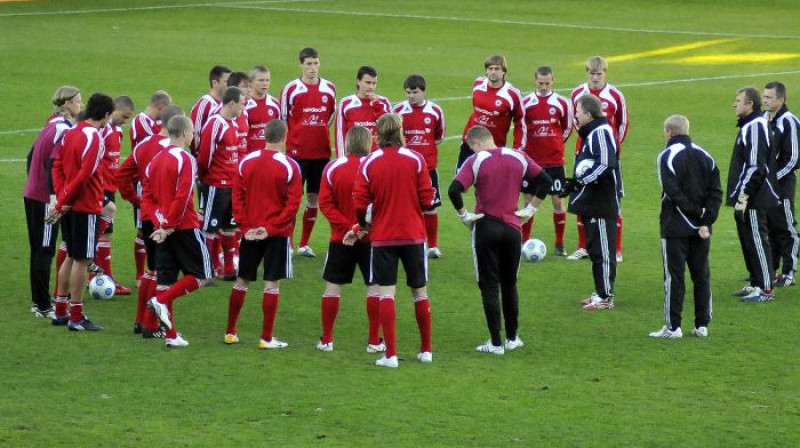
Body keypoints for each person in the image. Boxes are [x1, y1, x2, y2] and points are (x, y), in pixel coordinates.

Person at [448, 125, 551, 354]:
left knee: (488, 286)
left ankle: (495, 343)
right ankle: (513, 338)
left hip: (486, 227)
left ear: (475, 143)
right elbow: (545, 181)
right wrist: (530, 210)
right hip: (513, 228)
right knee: (509, 284)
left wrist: (465, 216)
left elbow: (454, 190)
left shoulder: (477, 160)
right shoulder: (518, 155)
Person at [352, 113, 435, 368]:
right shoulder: (416, 159)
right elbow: (427, 200)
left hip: (383, 236)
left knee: (386, 292)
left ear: (377, 133)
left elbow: (359, 201)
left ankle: (390, 355)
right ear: (401, 131)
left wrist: (364, 224)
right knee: (419, 291)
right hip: (413, 235)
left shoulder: (369, 162)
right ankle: (426, 350)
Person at [224, 120, 302, 349]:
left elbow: (236, 197)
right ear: (284, 137)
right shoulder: (290, 166)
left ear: (264, 136)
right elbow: (293, 205)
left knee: (242, 280)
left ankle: (230, 332)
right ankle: (266, 338)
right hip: (276, 234)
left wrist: (246, 227)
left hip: (250, 232)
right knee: (272, 284)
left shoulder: (245, 162)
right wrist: (270, 228)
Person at [649, 115, 722, 339]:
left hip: (675, 227)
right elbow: (716, 193)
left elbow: (673, 193)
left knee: (674, 276)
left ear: (669, 132)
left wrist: (695, 217)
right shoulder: (706, 155)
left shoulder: (666, 156)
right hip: (702, 230)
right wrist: (705, 221)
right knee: (702, 275)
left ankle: (673, 327)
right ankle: (702, 325)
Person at [47, 92, 115, 330]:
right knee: (82, 259)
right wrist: (64, 200)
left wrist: (62, 197)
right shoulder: (95, 138)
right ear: (106, 115)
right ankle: (76, 317)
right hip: (85, 205)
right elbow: (85, 176)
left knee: (68, 253)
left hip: (70, 203)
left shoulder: (71, 132)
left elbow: (57, 166)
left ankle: (60, 310)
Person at [145, 115, 214, 348]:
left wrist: (160, 222)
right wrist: (170, 225)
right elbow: (183, 196)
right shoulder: (185, 159)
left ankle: (171, 335)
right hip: (183, 227)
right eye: (192, 131)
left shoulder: (155, 160)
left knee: (166, 279)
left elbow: (148, 197)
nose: (193, 135)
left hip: (163, 228)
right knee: (204, 275)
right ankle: (160, 301)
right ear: (185, 133)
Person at [117, 104, 185, 337]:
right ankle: (152, 325)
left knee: (150, 269)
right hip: (167, 219)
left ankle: (140, 321)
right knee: (165, 274)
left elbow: (122, 175)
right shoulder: (177, 150)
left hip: (147, 215)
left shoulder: (143, 146)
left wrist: (135, 200)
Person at [315, 126, 382, 352]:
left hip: (341, 238)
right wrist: (360, 228)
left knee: (333, 287)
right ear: (368, 142)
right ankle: (374, 341)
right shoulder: (374, 168)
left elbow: (324, 202)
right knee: (375, 288)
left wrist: (346, 228)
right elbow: (379, 203)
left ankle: (327, 340)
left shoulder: (333, 167)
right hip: (371, 238)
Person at [24, 86, 81, 319]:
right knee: (45, 250)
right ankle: (42, 305)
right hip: (45, 199)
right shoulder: (64, 131)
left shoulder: (51, 124)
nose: (81, 105)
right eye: (78, 101)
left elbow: (31, 155)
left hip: (32, 194)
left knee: (37, 249)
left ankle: (38, 301)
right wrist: (53, 198)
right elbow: (53, 165)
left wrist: (32, 183)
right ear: (68, 104)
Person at [563, 94, 621, 310]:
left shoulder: (601, 131)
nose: (575, 114)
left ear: (588, 114)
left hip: (601, 202)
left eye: (578, 111)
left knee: (603, 252)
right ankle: (600, 292)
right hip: (593, 201)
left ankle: (606, 298)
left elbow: (606, 163)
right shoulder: (593, 132)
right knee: (596, 250)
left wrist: (580, 182)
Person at [568, 56, 628, 262]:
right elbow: (574, 120)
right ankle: (583, 246)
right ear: (587, 73)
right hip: (583, 154)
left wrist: (613, 147)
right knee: (581, 196)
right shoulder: (577, 93)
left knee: (613, 198)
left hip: (607, 156)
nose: (595, 78)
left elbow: (623, 123)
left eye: (599, 74)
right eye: (592, 74)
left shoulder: (615, 95)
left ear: (605, 73)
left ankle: (616, 250)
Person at [280, 48, 337, 258]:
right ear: (301, 65)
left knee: (314, 198)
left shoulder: (330, 89)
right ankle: (288, 244)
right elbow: (283, 118)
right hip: (296, 154)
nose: (312, 68)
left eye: (315, 63)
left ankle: (304, 244)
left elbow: (330, 116)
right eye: (308, 64)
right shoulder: (291, 89)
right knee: (292, 200)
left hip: (321, 153)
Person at [727, 87, 780, 302]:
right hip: (749, 196)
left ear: (750, 105)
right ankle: (756, 283)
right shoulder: (750, 125)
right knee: (749, 239)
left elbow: (756, 166)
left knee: (757, 239)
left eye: (738, 100)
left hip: (755, 197)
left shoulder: (756, 126)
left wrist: (743, 196)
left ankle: (766, 288)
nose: (734, 104)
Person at [520, 66, 573, 255]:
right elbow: (521, 128)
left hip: (554, 161)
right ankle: (524, 242)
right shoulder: (525, 102)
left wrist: (556, 145)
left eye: (547, 83)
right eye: (540, 83)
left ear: (553, 81)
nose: (543, 86)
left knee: (558, 201)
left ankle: (559, 243)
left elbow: (567, 128)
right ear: (535, 81)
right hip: (531, 161)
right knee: (527, 200)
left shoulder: (562, 103)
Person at [393, 74, 446, 258]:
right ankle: (405, 241)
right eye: (408, 92)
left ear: (423, 91)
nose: (411, 96)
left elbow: (438, 136)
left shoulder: (435, 111)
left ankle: (432, 246)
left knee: (431, 206)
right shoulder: (399, 110)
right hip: (405, 169)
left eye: (415, 92)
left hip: (428, 168)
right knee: (404, 206)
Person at [197, 86, 245, 280]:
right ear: (231, 103)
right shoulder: (215, 123)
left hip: (232, 185)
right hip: (216, 185)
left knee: (229, 227)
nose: (243, 107)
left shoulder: (233, 124)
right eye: (242, 103)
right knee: (210, 227)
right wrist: (206, 179)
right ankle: (206, 269)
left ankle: (228, 269)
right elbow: (204, 156)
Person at [129, 90, 172, 281]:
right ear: (161, 108)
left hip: (155, 181)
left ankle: (152, 271)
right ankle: (143, 274)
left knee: (155, 225)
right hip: (143, 183)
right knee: (142, 228)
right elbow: (154, 145)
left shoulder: (152, 122)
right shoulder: (142, 122)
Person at [456, 54, 525, 171]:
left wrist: (517, 148)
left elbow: (520, 121)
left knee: (489, 185)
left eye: (497, 69)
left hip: (493, 148)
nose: (493, 72)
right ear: (486, 71)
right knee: (458, 185)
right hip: (470, 144)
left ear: (504, 71)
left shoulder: (512, 94)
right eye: (490, 68)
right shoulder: (478, 84)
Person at [95, 96, 135, 295]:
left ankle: (97, 275)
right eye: (124, 116)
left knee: (104, 232)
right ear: (114, 110)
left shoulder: (117, 131)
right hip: (100, 188)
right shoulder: (102, 130)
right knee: (101, 232)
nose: (125, 121)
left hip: (110, 187)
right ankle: (103, 276)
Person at [763, 81, 800, 287]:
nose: (765, 100)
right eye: (764, 96)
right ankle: (771, 270)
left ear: (781, 100)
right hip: (764, 186)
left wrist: (772, 179)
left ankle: (788, 272)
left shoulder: (789, 121)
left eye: (769, 97)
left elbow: (794, 158)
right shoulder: (762, 119)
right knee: (769, 227)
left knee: (786, 228)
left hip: (782, 184)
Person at [335, 65, 392, 157]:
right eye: (368, 82)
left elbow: (389, 130)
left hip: (377, 158)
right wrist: (342, 160)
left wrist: (377, 106)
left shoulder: (383, 102)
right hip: (355, 159)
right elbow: (340, 136)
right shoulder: (346, 103)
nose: (371, 87)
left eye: (374, 83)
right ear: (358, 81)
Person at [190, 65, 232, 156]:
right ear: (215, 83)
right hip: (208, 162)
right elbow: (196, 135)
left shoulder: (229, 104)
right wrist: (199, 158)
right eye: (226, 82)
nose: (231, 84)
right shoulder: (205, 105)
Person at [246, 65, 280, 153]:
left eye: (267, 80)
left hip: (269, 156)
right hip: (249, 157)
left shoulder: (275, 104)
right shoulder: (244, 105)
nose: (265, 84)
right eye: (261, 80)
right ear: (250, 82)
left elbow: (278, 132)